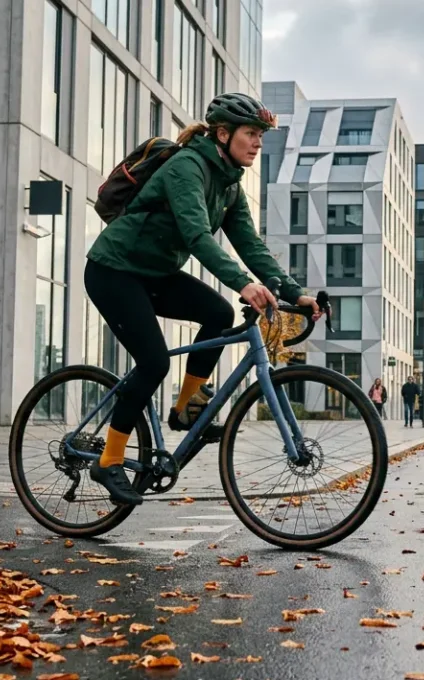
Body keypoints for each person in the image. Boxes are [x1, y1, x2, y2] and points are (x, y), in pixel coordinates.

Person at [83, 93, 322, 506]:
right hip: (113, 270)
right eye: (251, 133)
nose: (258, 143)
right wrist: (242, 283)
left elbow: (251, 246)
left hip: (153, 273)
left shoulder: (229, 184)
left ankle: (184, 409)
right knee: (154, 362)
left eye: (261, 136)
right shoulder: (187, 168)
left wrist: (293, 292)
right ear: (224, 133)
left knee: (218, 311)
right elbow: (195, 235)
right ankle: (109, 460)